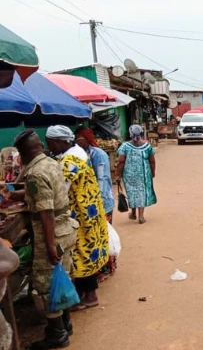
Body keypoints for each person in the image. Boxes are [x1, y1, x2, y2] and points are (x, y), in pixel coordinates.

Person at [1, 129, 78, 349]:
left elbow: (46, 211)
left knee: (45, 284)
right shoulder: (51, 163)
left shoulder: (35, 173)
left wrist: (50, 245)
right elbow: (40, 195)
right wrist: (12, 193)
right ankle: (65, 323)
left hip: (52, 234)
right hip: (66, 229)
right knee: (61, 277)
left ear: (24, 152)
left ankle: (58, 334)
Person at [46, 125, 109, 311]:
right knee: (84, 253)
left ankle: (90, 296)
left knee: (82, 253)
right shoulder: (78, 152)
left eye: (50, 143)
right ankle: (83, 293)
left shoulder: (70, 160)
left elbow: (59, 191)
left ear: (59, 141)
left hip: (81, 214)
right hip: (88, 209)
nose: (49, 147)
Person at [74, 127, 117, 282]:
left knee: (103, 235)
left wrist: (96, 200)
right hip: (91, 202)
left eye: (79, 139)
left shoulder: (98, 154)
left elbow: (102, 179)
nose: (77, 142)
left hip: (102, 202)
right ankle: (99, 267)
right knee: (96, 236)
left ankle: (107, 268)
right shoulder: (82, 154)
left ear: (86, 138)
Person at [115, 125, 157, 224]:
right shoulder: (147, 146)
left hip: (129, 175)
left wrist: (117, 174)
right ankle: (141, 216)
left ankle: (133, 213)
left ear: (130, 134)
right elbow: (152, 161)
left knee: (132, 192)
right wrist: (153, 172)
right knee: (141, 192)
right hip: (144, 174)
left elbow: (120, 161)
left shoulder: (125, 146)